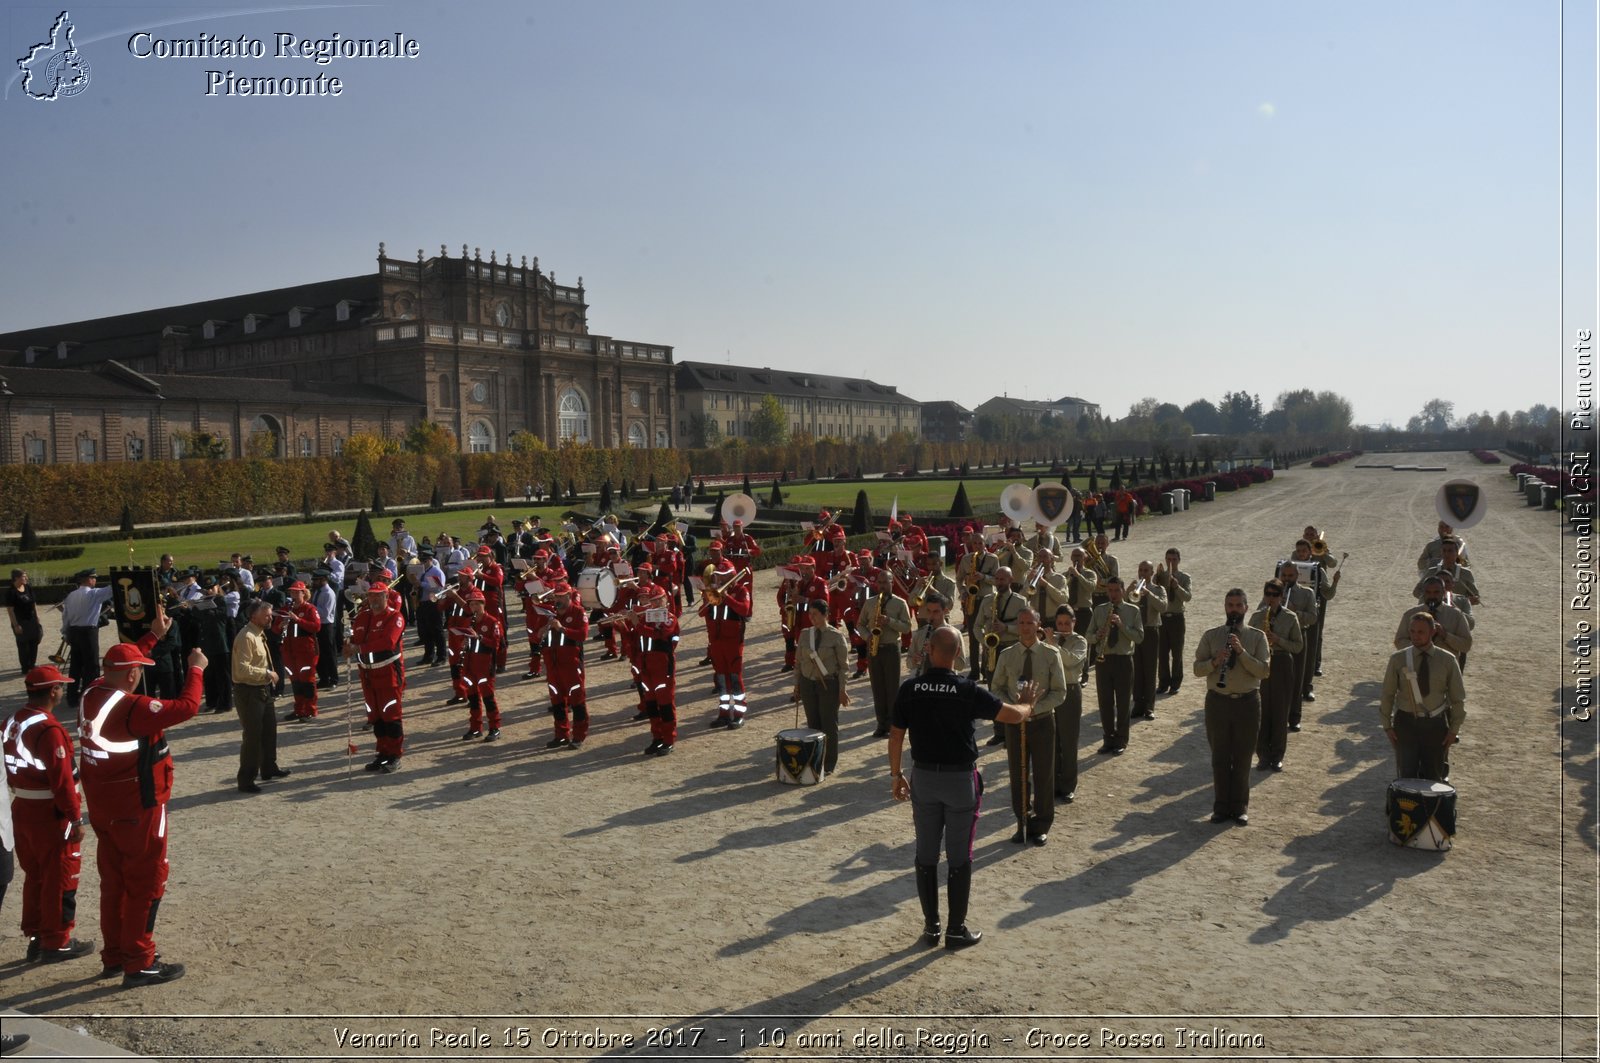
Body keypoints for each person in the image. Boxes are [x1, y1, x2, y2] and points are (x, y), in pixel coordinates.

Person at [887, 626, 1035, 950]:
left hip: (923, 778)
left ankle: (931, 928)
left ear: (928, 650)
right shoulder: (967, 689)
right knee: (959, 856)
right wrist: (1025, 706)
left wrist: (896, 775)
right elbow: (1010, 715)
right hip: (959, 781)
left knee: (925, 853)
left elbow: (896, 735)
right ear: (957, 654)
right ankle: (956, 929)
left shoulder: (910, 689)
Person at [79, 605, 203, 986]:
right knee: (146, 881)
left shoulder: (92, 693)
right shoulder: (132, 707)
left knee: (113, 883)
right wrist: (197, 668)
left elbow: (121, 665)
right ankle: (139, 960)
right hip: (139, 805)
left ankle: (115, 954)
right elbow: (187, 706)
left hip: (104, 807)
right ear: (133, 675)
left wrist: (153, 635)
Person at [2, 665, 91, 963]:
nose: (63, 690)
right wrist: (75, 818)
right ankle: (57, 941)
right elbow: (63, 781)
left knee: (36, 876)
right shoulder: (49, 730)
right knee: (61, 877)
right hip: (50, 814)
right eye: (60, 686)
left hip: (21, 807)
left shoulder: (11, 721)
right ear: (53, 691)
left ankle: (37, 936)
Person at [1192, 588, 1271, 825]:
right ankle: (1221, 808)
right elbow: (1197, 668)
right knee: (1220, 757)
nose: (1234, 610)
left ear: (1246, 608)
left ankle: (1240, 808)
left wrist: (1241, 652)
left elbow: (1264, 671)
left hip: (1247, 703)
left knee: (1243, 757)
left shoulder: (1257, 637)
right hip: (1218, 702)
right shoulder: (1212, 636)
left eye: (1238, 605)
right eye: (1230, 605)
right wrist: (1215, 661)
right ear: (1225, 607)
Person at [991, 608, 1067, 846]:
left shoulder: (1050, 654)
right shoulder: (1007, 655)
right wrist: (1014, 707)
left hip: (1042, 721)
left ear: (1038, 625)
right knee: (1018, 774)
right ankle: (1022, 822)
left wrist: (1032, 708)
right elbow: (996, 688)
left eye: (1029, 622)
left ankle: (1042, 824)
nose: (1025, 627)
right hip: (1015, 724)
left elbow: (1060, 692)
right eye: (1021, 622)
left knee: (1044, 774)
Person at [1380, 614, 1465, 782]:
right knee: (1406, 776)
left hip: (1435, 724)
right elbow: (1387, 694)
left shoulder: (1447, 660)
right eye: (1412, 631)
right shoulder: (1398, 659)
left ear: (1433, 632)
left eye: (1421, 632)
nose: (1415, 636)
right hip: (1406, 723)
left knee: (1434, 776)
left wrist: (1454, 729)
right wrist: (1387, 726)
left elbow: (1457, 698)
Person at [345, 582, 407, 773]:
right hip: (367, 673)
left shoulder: (394, 617)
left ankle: (395, 755)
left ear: (386, 597)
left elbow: (388, 642)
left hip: (387, 672)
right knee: (375, 716)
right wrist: (348, 643)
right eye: (371, 596)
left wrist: (359, 648)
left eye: (378, 596)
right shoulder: (362, 617)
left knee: (391, 715)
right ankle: (382, 753)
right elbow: (354, 641)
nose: (373, 599)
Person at [232, 600, 288, 794]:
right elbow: (241, 669)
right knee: (253, 736)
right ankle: (246, 779)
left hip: (263, 690)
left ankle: (269, 767)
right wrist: (266, 673)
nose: (270, 618)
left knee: (269, 731)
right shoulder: (246, 636)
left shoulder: (259, 634)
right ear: (253, 616)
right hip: (249, 691)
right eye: (267, 615)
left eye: (270, 614)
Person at [791, 599, 851, 774]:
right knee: (813, 724)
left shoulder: (836, 636)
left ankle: (829, 763)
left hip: (828, 685)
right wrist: (796, 684)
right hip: (808, 683)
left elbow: (844, 666)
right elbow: (798, 662)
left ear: (826, 615)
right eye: (810, 614)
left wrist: (842, 689)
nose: (812, 618)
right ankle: (814, 759)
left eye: (815, 614)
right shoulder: (804, 634)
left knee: (829, 725)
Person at [1085, 577, 1143, 754]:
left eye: (1117, 590)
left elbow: (1139, 637)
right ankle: (1108, 738)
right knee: (1105, 702)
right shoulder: (1100, 610)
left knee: (1123, 702)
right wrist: (1097, 636)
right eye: (1110, 591)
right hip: (1104, 661)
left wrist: (1121, 625)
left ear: (1123, 591)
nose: (1113, 594)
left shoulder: (1133, 610)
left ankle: (1121, 740)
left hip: (1123, 660)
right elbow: (1088, 634)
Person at [1251, 580, 1303, 772]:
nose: (1271, 598)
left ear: (1281, 596)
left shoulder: (1290, 617)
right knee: (1262, 711)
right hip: (1262, 663)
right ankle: (1263, 755)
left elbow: (1298, 646)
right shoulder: (1257, 616)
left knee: (1280, 712)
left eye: (1275, 594)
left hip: (1281, 663)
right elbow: (1247, 639)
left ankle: (1277, 755)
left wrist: (1278, 640)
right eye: (1268, 594)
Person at [859, 569, 913, 738]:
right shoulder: (869, 603)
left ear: (892, 583)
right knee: (877, 688)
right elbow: (860, 624)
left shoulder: (900, 603)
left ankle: (893, 724)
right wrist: (868, 636)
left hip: (890, 648)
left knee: (892, 689)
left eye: (885, 582)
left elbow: (907, 627)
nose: (882, 585)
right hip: (874, 648)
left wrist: (889, 621)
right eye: (880, 582)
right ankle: (881, 723)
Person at [702, 560, 753, 728]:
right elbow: (702, 613)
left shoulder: (741, 590)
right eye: (719, 576)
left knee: (735, 678)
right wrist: (706, 596)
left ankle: (738, 714)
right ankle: (723, 713)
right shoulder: (713, 591)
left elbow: (744, 610)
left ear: (732, 575)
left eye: (724, 576)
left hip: (732, 640)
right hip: (716, 640)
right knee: (721, 678)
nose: (721, 579)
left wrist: (727, 597)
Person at [1047, 606, 1089, 802]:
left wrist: (1054, 644)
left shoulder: (1079, 641)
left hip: (1070, 691)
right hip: (1051, 692)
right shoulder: (1049, 640)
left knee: (1069, 741)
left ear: (1074, 623)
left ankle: (1069, 785)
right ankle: (1053, 783)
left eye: (1066, 623)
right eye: (1059, 623)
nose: (1063, 627)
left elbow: (1071, 661)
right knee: (1052, 740)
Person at [541, 584, 590, 749]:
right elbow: (539, 638)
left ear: (569, 596)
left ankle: (578, 736)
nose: (558, 600)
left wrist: (563, 629)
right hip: (554, 666)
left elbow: (582, 635)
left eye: (562, 596)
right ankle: (561, 735)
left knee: (577, 701)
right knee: (557, 702)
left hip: (571, 664)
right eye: (557, 596)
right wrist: (543, 630)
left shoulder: (578, 612)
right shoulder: (551, 614)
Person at [60, 568, 114, 716]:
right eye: (93, 578)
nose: (95, 580)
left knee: (75, 665)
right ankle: (90, 696)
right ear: (88, 579)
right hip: (88, 632)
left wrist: (65, 633)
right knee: (91, 666)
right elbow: (113, 589)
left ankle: (71, 697)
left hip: (74, 631)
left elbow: (65, 616)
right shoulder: (93, 594)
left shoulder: (71, 596)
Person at [456, 588, 505, 741]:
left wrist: (480, 637)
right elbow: (461, 641)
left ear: (483, 604)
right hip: (470, 665)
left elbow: (496, 644)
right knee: (473, 698)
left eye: (477, 604)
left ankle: (495, 728)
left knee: (488, 698)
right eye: (471, 605)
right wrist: (462, 641)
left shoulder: (492, 622)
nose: (474, 608)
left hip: (485, 665)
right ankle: (475, 727)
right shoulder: (468, 622)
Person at [273, 582, 321, 721]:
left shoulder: (309, 609)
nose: (293, 595)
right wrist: (280, 625)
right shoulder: (285, 609)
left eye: (296, 592)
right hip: (289, 650)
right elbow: (275, 629)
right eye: (292, 592)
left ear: (303, 593)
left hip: (305, 650)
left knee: (307, 681)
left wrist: (298, 620)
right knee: (295, 681)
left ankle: (310, 710)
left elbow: (316, 627)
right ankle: (299, 710)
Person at [1128, 560, 1168, 720]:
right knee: (1136, 670)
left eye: (1146, 570)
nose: (1142, 573)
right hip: (1135, 632)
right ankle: (1137, 705)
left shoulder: (1159, 589)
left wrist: (1149, 594)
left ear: (1152, 573)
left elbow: (1163, 607)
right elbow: (1123, 605)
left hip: (1151, 631)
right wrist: (1128, 591)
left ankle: (1149, 707)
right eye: (1140, 570)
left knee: (1150, 670)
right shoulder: (1133, 589)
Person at [1154, 548, 1192, 695]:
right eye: (1168, 559)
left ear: (1179, 560)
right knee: (1162, 653)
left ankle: (1175, 684)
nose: (1171, 562)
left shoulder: (1184, 577)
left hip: (1176, 618)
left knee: (1177, 653)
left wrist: (1176, 586)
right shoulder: (1159, 576)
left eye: (1174, 559)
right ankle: (1163, 683)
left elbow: (1187, 597)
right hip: (1162, 618)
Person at [7, 570, 43, 675]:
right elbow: (10, 610)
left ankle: (32, 665)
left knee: (34, 642)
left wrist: (37, 617)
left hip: (31, 620)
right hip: (20, 622)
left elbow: (33, 604)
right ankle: (25, 667)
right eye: (24, 576)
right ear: (16, 578)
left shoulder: (28, 587)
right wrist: (15, 625)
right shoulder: (11, 592)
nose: (26, 578)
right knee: (23, 645)